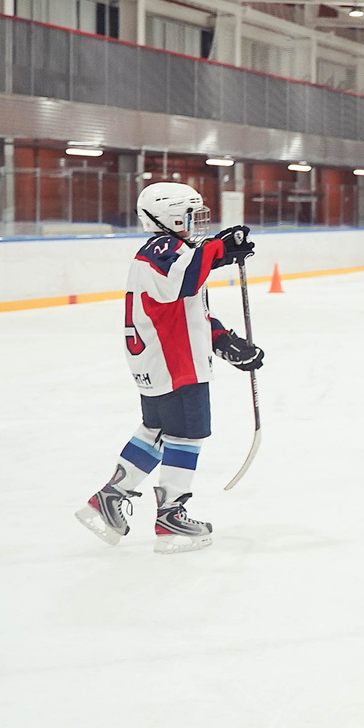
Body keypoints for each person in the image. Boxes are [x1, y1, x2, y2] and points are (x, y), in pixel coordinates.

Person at [77, 182, 260, 549]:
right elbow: (188, 277)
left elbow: (186, 310)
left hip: (159, 359)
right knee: (186, 434)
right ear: (170, 216)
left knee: (156, 430)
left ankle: (110, 497)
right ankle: (171, 516)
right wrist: (222, 248)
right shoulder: (165, 249)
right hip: (174, 362)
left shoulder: (168, 252)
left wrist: (224, 342)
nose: (197, 222)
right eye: (191, 214)